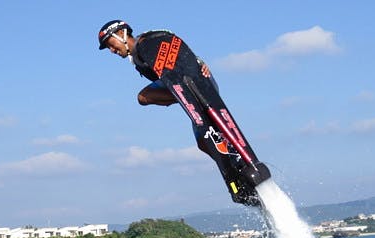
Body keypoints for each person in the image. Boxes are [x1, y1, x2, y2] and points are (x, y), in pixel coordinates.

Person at [97, 20, 261, 206]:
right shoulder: (138, 60)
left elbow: (183, 55)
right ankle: (233, 167)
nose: (112, 50)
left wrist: (201, 63)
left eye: (111, 44)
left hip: (198, 84)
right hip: (184, 89)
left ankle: (237, 158)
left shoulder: (146, 43)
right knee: (204, 143)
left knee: (143, 96)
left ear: (121, 34)